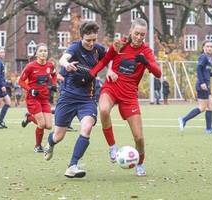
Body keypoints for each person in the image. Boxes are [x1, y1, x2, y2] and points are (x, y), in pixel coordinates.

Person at [88, 18, 162, 176]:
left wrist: (146, 63)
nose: (139, 37)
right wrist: (91, 74)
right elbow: (105, 61)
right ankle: (112, 147)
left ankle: (140, 164)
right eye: (136, 33)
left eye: (142, 35)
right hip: (112, 88)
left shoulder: (146, 52)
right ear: (130, 32)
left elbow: (158, 73)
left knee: (139, 138)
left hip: (129, 96)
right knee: (103, 109)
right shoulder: (119, 44)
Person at [43, 21, 106, 178]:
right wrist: (67, 64)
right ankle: (50, 143)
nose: (91, 43)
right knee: (59, 135)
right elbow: (63, 59)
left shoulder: (98, 50)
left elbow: (111, 58)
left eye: (94, 40)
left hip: (87, 98)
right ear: (81, 37)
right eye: (88, 40)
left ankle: (72, 165)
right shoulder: (75, 47)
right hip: (68, 97)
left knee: (86, 127)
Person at [18, 43, 57, 152]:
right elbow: (20, 81)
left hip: (44, 98)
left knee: (48, 126)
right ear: (36, 53)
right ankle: (37, 146)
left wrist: (53, 84)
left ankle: (29, 118)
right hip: (32, 98)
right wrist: (30, 90)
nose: (43, 53)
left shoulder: (50, 65)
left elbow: (54, 75)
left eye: (45, 51)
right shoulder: (30, 66)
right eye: (41, 51)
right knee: (42, 124)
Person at [178, 40, 212, 134]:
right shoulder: (203, 57)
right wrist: (202, 83)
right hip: (202, 85)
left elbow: (206, 72)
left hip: (207, 85)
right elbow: (198, 69)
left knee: (210, 106)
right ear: (203, 48)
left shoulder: (208, 58)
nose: (209, 48)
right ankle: (183, 119)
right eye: (207, 46)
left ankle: (209, 129)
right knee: (202, 107)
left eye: (211, 46)